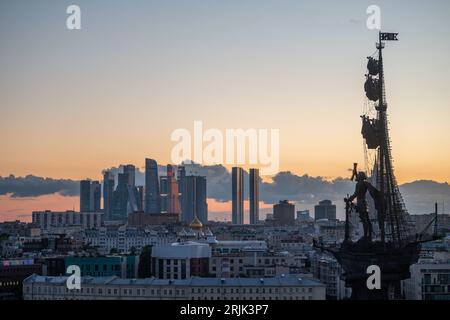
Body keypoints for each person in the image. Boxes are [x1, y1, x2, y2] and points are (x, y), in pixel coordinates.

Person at [345, 171, 380, 241]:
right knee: (367, 220)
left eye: (357, 176)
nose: (356, 177)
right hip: (364, 203)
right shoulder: (365, 183)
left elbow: (356, 194)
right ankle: (368, 235)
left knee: (364, 220)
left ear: (359, 177)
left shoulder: (359, 184)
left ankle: (366, 235)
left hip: (361, 203)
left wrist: (349, 199)